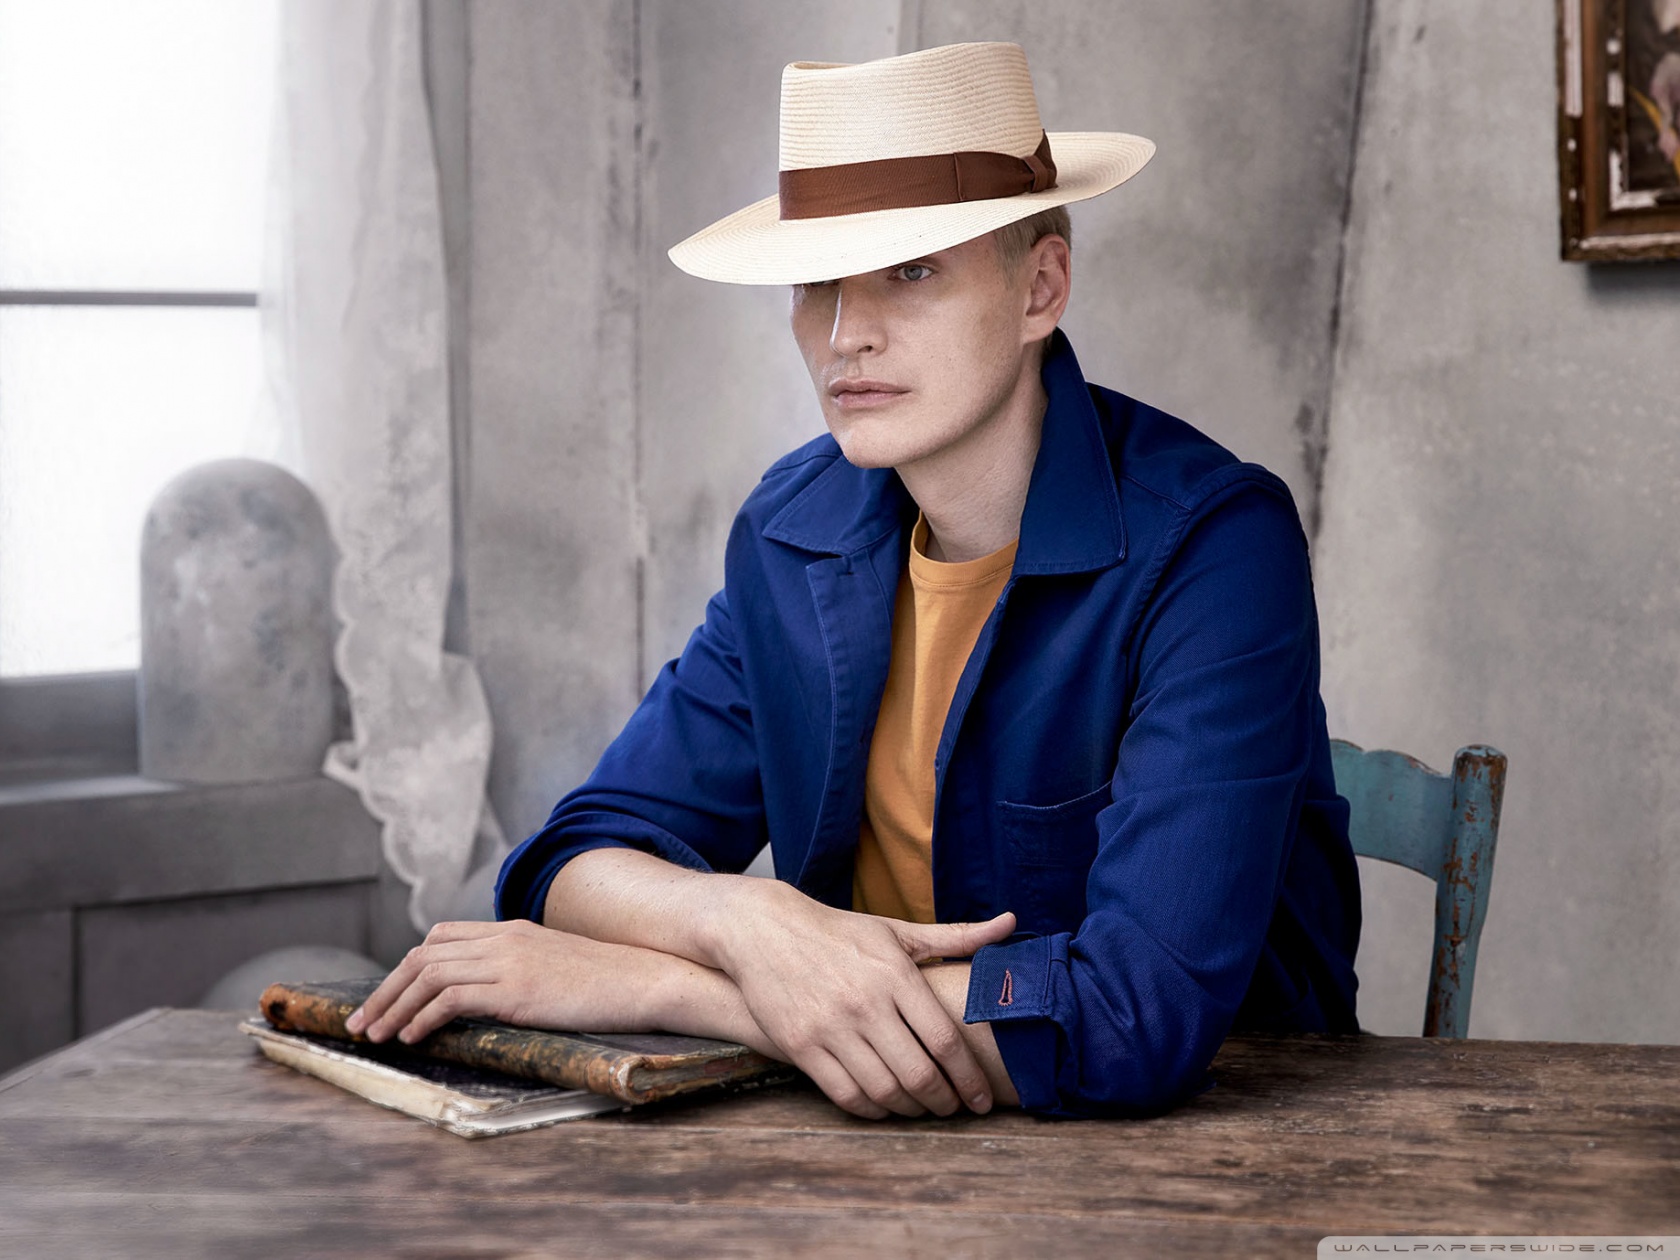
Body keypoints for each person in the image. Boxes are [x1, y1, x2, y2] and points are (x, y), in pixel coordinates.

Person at [348, 40, 1362, 1120]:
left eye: (911, 271)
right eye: (818, 282)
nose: (845, 334)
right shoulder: (793, 532)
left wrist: (679, 988)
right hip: (863, 1143)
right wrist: (755, 926)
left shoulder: (1215, 545)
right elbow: (578, 856)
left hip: (1219, 1151)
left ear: (1041, 288)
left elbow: (1132, 1016)